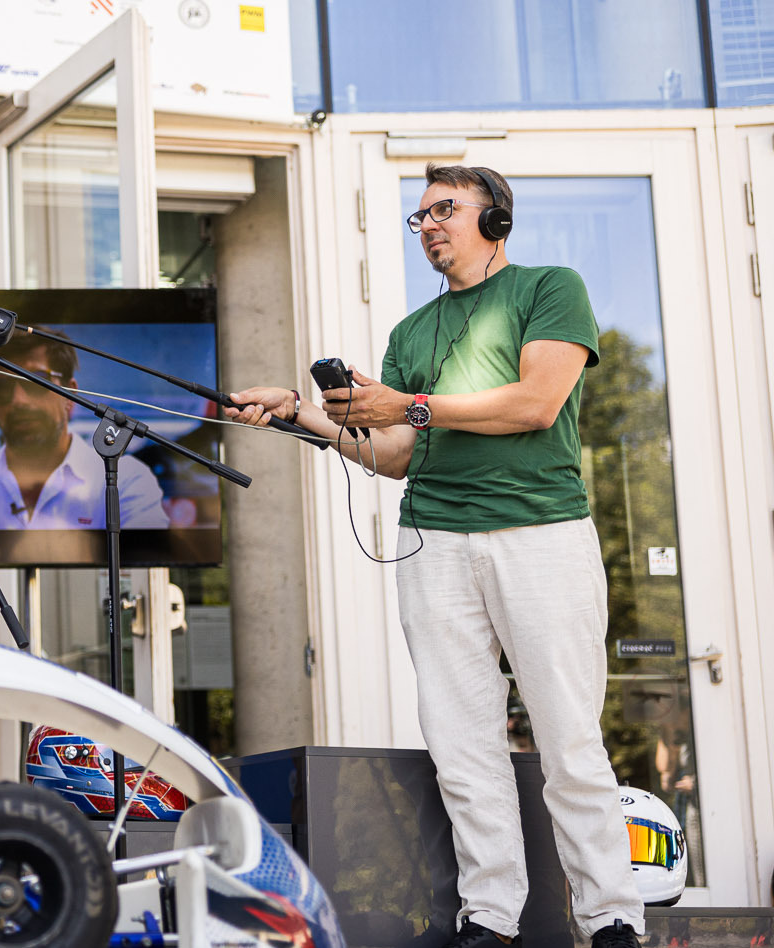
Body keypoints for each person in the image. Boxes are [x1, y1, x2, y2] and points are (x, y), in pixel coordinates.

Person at [227, 164, 642, 948]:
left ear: (495, 220)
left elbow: (535, 402)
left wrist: (405, 403)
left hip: (540, 534)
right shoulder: (412, 334)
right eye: (418, 218)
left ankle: (611, 916)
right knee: (460, 743)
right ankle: (489, 916)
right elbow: (392, 454)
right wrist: (301, 416)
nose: (427, 226)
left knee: (569, 739)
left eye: (443, 210)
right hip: (435, 544)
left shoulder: (552, 287)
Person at [0, 328, 167, 531]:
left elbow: (137, 573)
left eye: (36, 381)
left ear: (70, 394)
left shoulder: (125, 482)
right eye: (2, 389)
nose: (19, 400)